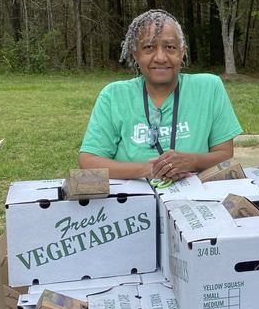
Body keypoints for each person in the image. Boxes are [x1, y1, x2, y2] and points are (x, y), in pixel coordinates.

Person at [79, 9, 243, 181]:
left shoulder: (209, 88)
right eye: (149, 47)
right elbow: (88, 160)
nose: (160, 57)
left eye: (170, 47)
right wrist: (149, 170)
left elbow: (224, 154)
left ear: (183, 52)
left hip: (194, 197)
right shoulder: (113, 96)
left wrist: (191, 161)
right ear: (136, 54)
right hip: (135, 200)